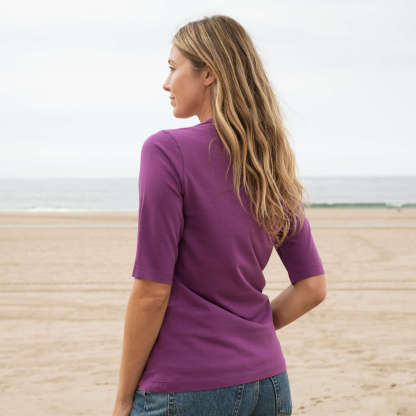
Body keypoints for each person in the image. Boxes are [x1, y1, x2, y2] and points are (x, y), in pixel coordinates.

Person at [112, 14, 326, 416]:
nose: (166, 83)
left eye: (173, 68)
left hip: (185, 385)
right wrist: (249, 330)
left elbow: (151, 292)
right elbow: (312, 287)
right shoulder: (269, 161)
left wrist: (123, 399)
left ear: (208, 73)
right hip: (268, 383)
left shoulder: (165, 151)